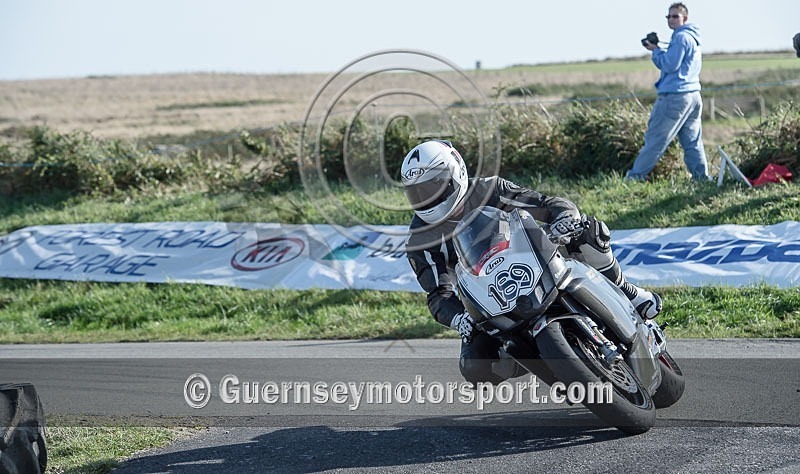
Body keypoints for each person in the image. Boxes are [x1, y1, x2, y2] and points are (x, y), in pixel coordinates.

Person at [401, 140, 663, 385]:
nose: (426, 198)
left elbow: (548, 205)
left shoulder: (489, 189)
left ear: (455, 173)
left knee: (588, 233)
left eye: (432, 186)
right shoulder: (419, 239)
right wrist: (459, 318)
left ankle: (628, 292)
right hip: (487, 295)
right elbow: (438, 294)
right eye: (417, 193)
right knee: (475, 366)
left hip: (534, 259)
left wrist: (563, 219)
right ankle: (554, 366)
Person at [625, 3, 710, 182]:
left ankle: (635, 178)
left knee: (656, 138)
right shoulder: (693, 37)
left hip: (675, 96)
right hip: (693, 95)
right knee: (692, 141)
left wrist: (655, 51)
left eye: (675, 16)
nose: (671, 20)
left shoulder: (680, 38)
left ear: (684, 18)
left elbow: (670, 65)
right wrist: (660, 49)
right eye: (668, 16)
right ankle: (702, 179)